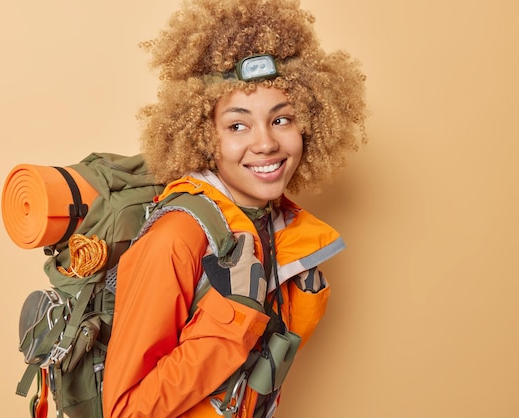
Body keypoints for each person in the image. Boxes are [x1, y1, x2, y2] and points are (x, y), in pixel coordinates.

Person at [102, 0, 367, 416]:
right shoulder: (176, 238)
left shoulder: (276, 226)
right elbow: (124, 411)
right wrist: (233, 318)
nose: (265, 143)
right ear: (202, 137)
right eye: (237, 125)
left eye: (281, 119)